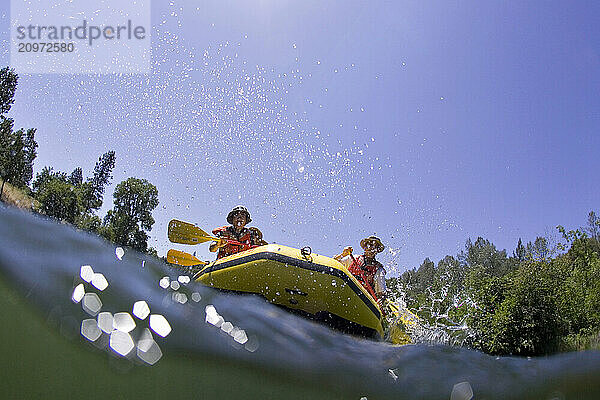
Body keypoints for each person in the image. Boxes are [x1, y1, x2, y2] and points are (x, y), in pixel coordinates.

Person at [334, 236, 387, 303]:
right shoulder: (353, 258)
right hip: (344, 293)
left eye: (375, 247)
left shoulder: (378, 269)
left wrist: (381, 300)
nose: (372, 248)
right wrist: (343, 254)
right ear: (365, 248)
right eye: (369, 245)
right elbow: (333, 263)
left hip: (362, 301)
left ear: (377, 250)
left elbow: (381, 294)